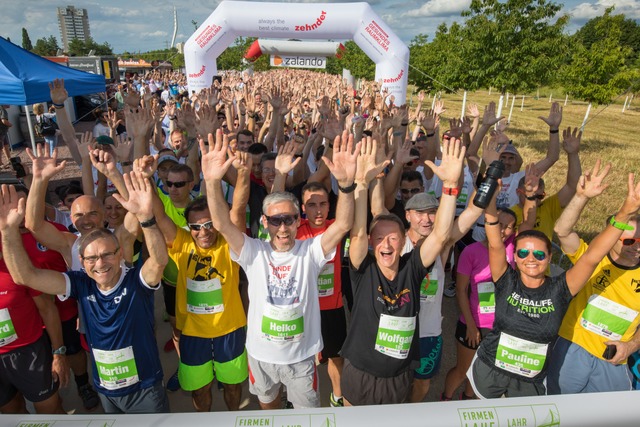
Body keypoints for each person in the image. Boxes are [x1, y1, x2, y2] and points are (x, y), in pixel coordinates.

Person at [206, 129, 369, 409]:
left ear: (298, 221)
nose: (282, 227)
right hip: (260, 356)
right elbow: (221, 223)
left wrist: (345, 185)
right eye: (275, 220)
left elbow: (342, 225)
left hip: (301, 359)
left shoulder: (311, 251)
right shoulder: (252, 252)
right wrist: (211, 181)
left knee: (307, 416)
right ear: (265, 222)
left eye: (289, 220)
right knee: (269, 411)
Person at [1, 172, 171, 414]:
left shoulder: (136, 281)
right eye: (91, 258)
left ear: (120, 253)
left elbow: (159, 260)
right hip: (106, 389)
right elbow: (26, 277)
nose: (100, 263)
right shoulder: (80, 282)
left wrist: (145, 217)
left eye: (107, 255)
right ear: (81, 260)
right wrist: (8, 231)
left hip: (144, 388)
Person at [468, 169, 640, 398]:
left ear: (550, 258)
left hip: (529, 383)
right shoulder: (505, 279)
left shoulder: (561, 288)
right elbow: (494, 244)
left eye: (539, 254)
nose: (530, 259)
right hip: (490, 371)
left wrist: (624, 213)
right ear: (515, 257)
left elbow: (592, 257)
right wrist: (489, 201)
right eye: (523, 253)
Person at [341, 138, 464, 406]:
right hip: (359, 372)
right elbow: (359, 231)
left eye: (393, 238)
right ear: (372, 244)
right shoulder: (364, 269)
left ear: (403, 241)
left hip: (398, 376)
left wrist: (451, 187)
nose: (386, 244)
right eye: (380, 238)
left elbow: (441, 234)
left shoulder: (413, 266)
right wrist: (361, 182)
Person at [144, 150, 250, 411]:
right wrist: (147, 179)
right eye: (195, 226)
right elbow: (159, 215)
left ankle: (231, 418)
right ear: (188, 228)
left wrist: (241, 173)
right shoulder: (180, 242)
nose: (203, 231)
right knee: (200, 390)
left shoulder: (229, 243)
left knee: (233, 387)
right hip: (192, 334)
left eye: (209, 224)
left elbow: (237, 209)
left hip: (230, 331)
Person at [547, 160, 640, 394]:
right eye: (628, 240)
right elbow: (562, 231)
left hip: (613, 358)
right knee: (558, 410)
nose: (635, 247)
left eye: (639, 241)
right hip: (571, 347)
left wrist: (630, 346)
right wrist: (581, 197)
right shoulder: (590, 259)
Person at [0, 187, 68, 415]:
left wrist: (58, 353)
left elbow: (48, 309)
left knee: (51, 411)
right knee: (12, 414)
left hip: (29, 352)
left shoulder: (17, 261)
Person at [442, 207, 517, 401]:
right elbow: (460, 291)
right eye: (499, 224)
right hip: (473, 322)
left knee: (481, 371)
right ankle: (446, 399)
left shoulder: (511, 248)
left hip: (499, 326)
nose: (503, 230)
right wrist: (471, 325)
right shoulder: (471, 251)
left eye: (509, 227)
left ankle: (467, 399)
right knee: (463, 370)